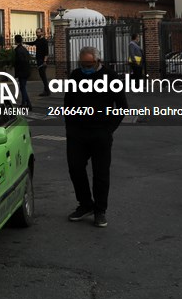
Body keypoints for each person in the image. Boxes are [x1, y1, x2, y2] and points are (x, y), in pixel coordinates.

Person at [63, 46, 125, 227]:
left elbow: (122, 106)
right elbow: (68, 103)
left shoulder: (111, 77)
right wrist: (70, 127)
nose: (86, 67)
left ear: (98, 61)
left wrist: (108, 130)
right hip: (77, 133)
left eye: (89, 64)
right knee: (75, 168)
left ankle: (100, 210)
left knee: (101, 174)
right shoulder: (75, 76)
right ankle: (85, 204)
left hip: (101, 133)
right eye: (83, 64)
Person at [27, 28, 50, 96]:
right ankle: (46, 90)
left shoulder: (44, 41)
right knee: (42, 75)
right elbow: (33, 43)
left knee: (43, 76)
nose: (37, 34)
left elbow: (46, 52)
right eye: (36, 32)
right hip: (39, 59)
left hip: (42, 61)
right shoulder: (38, 40)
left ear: (42, 33)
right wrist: (24, 43)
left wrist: (45, 61)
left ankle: (47, 91)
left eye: (39, 32)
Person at [13, 34, 32, 110]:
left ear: (15, 40)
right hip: (27, 70)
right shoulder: (24, 49)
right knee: (22, 87)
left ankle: (25, 103)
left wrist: (17, 73)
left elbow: (19, 62)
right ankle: (27, 103)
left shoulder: (18, 50)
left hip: (22, 71)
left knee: (22, 88)